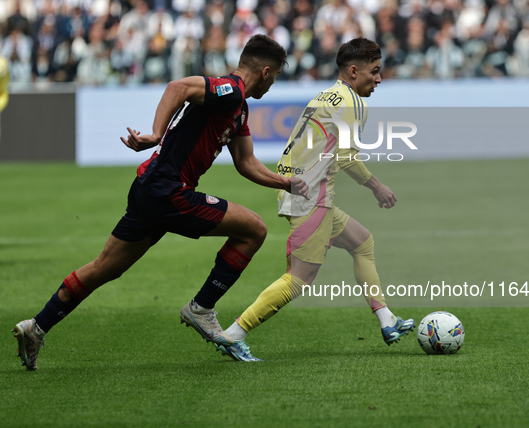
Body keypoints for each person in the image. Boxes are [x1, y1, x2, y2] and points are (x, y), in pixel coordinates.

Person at [12, 34, 308, 371]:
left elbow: (246, 163)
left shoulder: (239, 109)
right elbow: (177, 88)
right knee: (254, 230)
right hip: (169, 191)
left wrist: (287, 183)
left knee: (104, 267)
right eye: (277, 76)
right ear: (266, 72)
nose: (273, 83)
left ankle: (36, 327)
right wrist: (155, 133)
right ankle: (201, 308)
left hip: (150, 188)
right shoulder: (231, 89)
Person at [215, 37, 415, 362]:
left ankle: (387, 320)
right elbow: (348, 158)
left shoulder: (328, 94)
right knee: (299, 278)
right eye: (374, 72)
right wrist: (377, 186)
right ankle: (234, 333)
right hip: (311, 193)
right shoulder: (351, 102)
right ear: (353, 71)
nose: (379, 79)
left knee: (362, 242)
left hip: (302, 187)